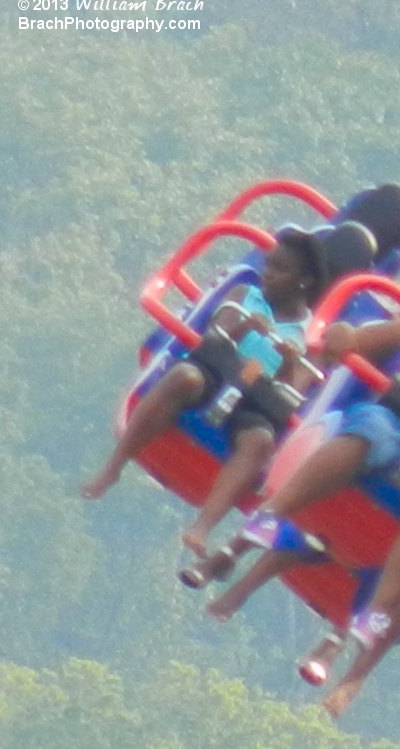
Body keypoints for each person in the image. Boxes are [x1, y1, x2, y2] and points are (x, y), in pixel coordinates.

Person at [182, 278, 400, 706]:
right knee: (374, 429)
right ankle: (268, 515)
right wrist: (340, 338)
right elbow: (351, 342)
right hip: (393, 422)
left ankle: (374, 613)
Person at [81, 230, 330, 554]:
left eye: (279, 270)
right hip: (218, 371)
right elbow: (216, 334)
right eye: (268, 265)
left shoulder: (307, 337)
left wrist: (286, 360)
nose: (267, 274)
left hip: (257, 395)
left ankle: (202, 528)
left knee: (261, 441)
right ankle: (113, 466)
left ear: (303, 281)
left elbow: (292, 389)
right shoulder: (245, 294)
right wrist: (245, 327)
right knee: (185, 376)